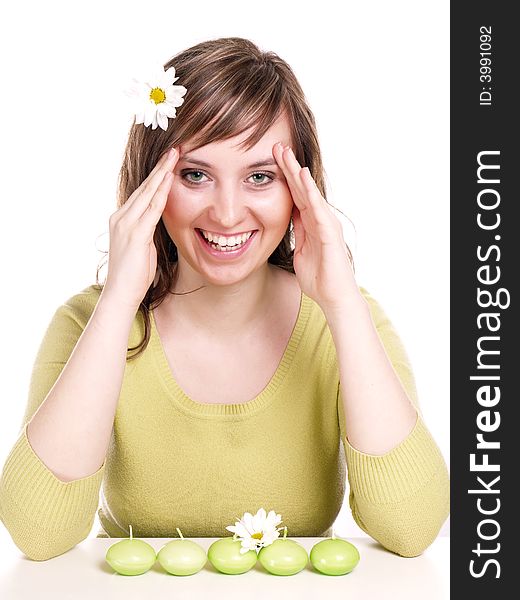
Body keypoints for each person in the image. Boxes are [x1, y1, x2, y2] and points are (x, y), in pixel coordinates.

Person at [0, 37, 449, 562]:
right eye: (195, 175)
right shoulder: (87, 322)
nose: (229, 213)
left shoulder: (347, 319)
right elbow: (38, 533)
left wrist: (342, 300)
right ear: (153, 184)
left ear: (301, 192)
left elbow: (413, 528)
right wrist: (121, 298)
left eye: (261, 177)